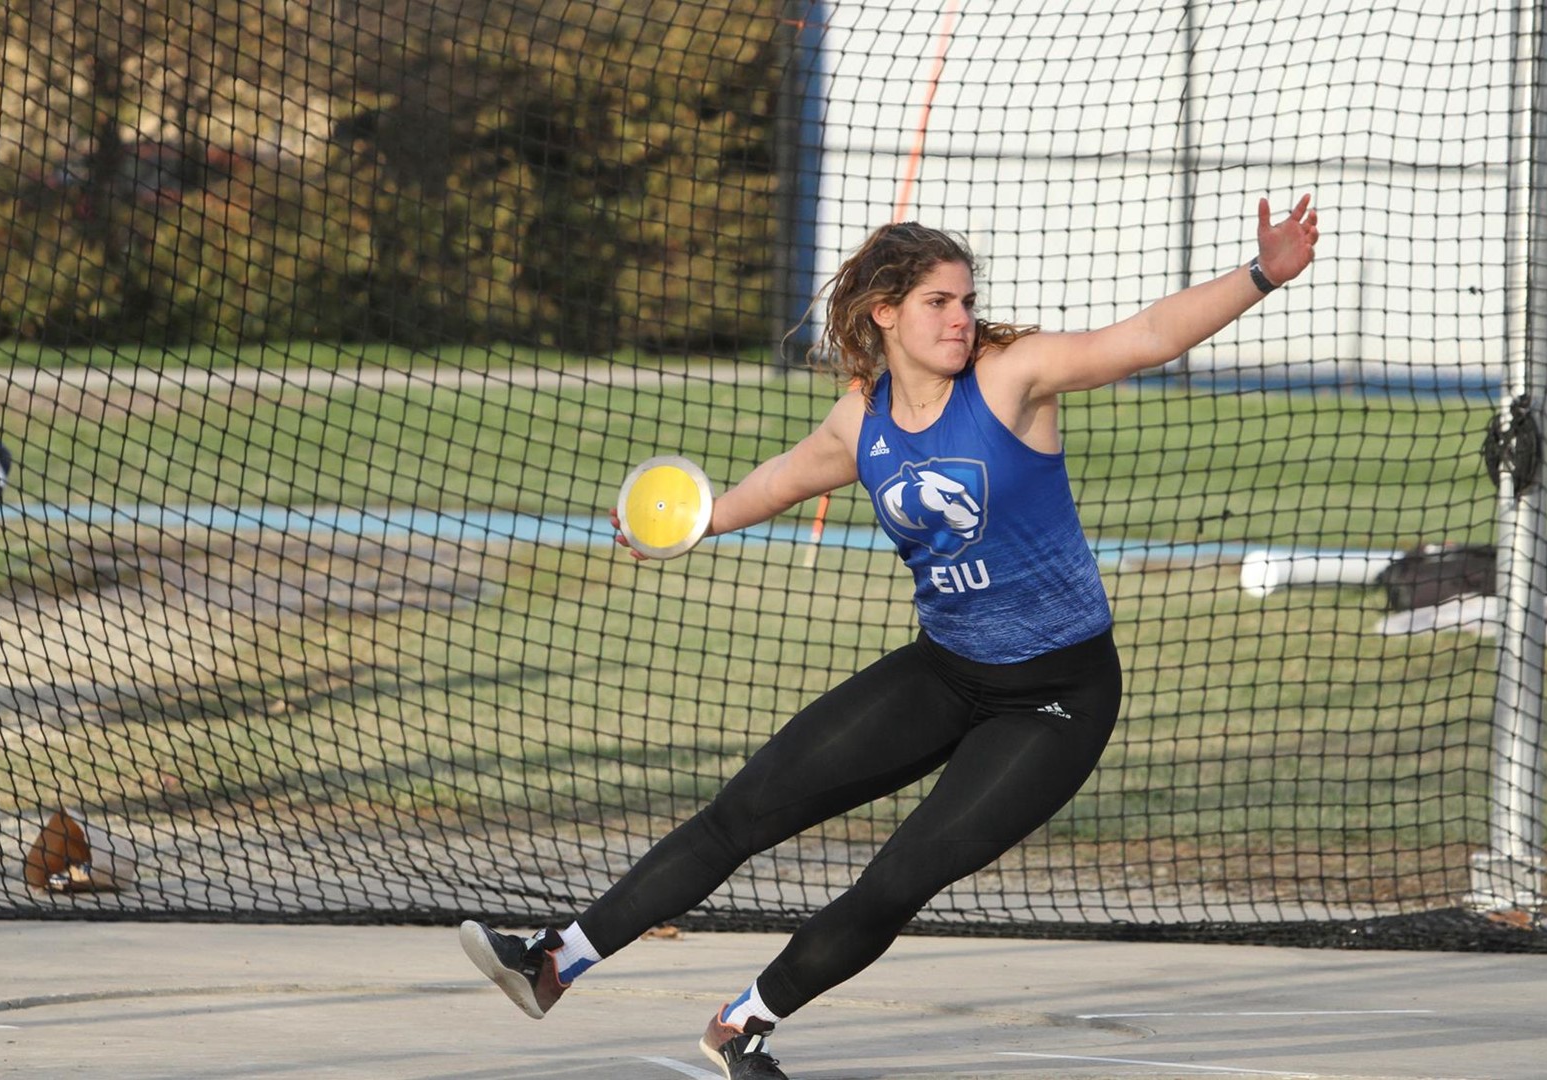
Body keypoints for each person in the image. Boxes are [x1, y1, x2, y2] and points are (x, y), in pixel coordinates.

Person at [460, 194, 1320, 1079]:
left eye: (966, 301)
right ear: (886, 312)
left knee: (897, 879)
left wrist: (1262, 274)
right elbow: (777, 484)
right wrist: (688, 521)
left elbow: (1147, 336)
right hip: (945, 672)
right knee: (740, 815)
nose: (960, 318)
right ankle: (553, 962)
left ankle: (744, 1023)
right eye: (938, 303)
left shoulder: (1011, 379)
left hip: (1057, 702)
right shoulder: (860, 420)